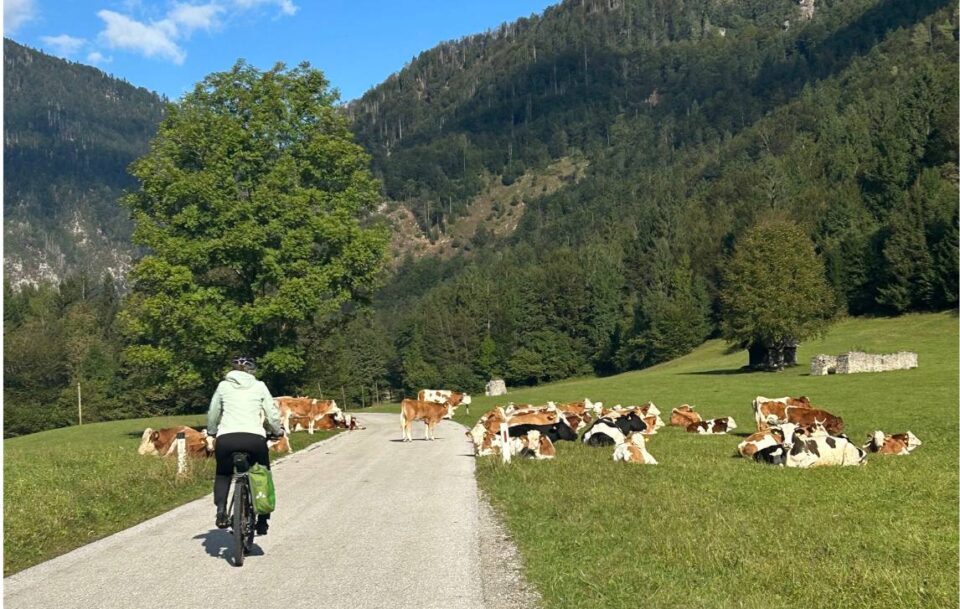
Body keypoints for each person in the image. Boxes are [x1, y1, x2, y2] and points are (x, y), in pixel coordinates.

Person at [206, 355, 283, 535]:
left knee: (224, 474)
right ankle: (263, 521)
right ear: (252, 370)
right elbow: (271, 414)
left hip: (226, 439)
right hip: (254, 439)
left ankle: (221, 512)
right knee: (263, 474)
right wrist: (277, 431)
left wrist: (211, 431)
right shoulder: (259, 386)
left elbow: (213, 412)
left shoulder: (223, 386)